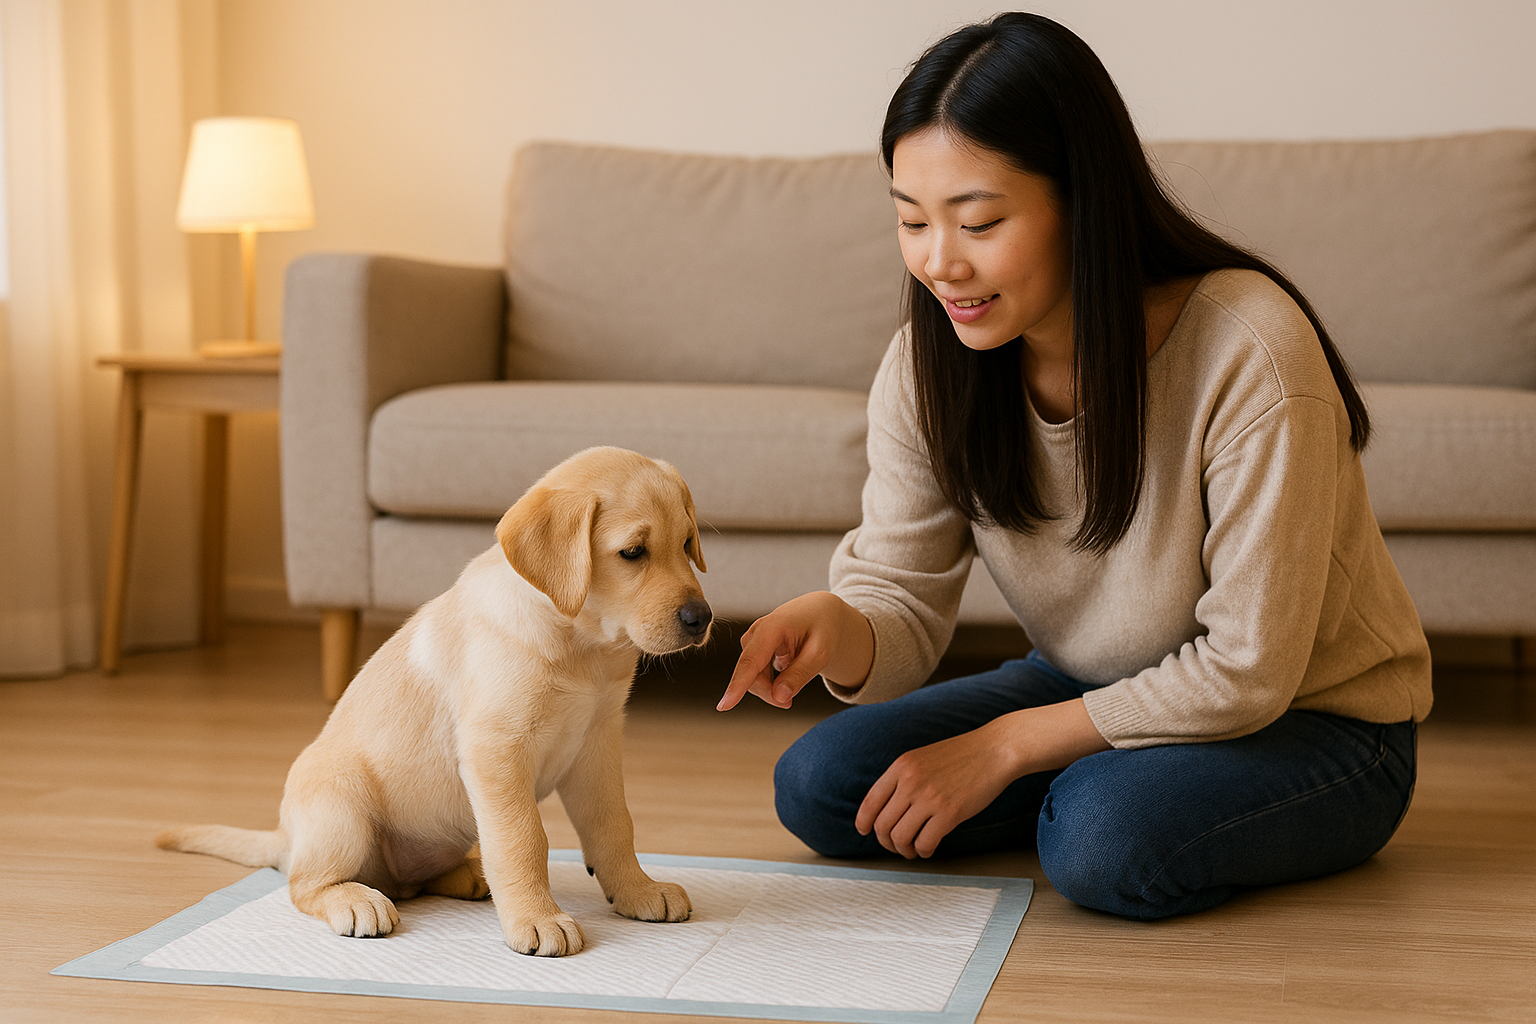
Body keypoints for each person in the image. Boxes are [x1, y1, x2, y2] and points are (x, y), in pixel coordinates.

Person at [714, 12, 1431, 920]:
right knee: (821, 784)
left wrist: (1007, 746)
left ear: (1083, 202)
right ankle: (1090, 779)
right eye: (911, 220)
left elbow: (1250, 670)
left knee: (1099, 839)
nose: (940, 262)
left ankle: (1085, 789)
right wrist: (839, 623)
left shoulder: (1249, 347)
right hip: (1093, 685)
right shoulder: (931, 363)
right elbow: (901, 601)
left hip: (1317, 720)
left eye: (979, 222)